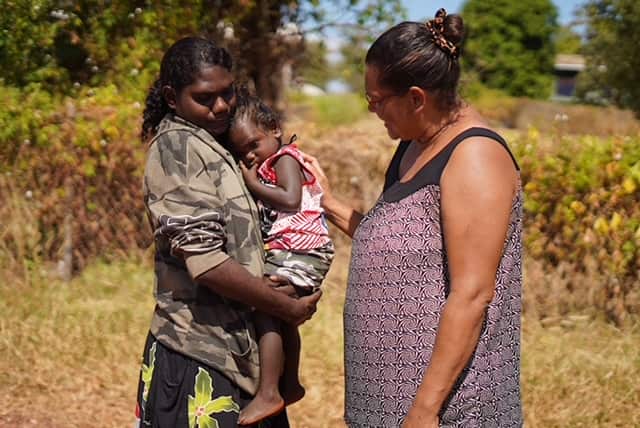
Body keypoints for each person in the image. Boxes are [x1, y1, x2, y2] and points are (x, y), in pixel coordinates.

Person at [304, 8, 523, 427]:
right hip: (387, 404)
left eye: (376, 100)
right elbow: (395, 246)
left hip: (447, 410)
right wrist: (324, 200)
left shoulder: (474, 157)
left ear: (416, 98)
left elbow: (472, 295)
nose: (373, 111)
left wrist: (424, 411)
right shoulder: (414, 146)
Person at [135, 36, 321, 428]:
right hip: (201, 352)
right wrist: (284, 307)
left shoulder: (218, 141)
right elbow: (206, 262)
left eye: (227, 93)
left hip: (244, 352)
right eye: (205, 97)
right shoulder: (177, 148)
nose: (220, 106)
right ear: (172, 97)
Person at [226, 89, 334, 425]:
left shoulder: (285, 159)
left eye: (253, 144)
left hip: (303, 249)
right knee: (280, 313)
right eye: (242, 151)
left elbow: (289, 199)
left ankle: (269, 391)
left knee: (265, 308)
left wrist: (250, 181)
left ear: (274, 129)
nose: (250, 155)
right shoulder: (272, 160)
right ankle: (290, 383)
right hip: (296, 250)